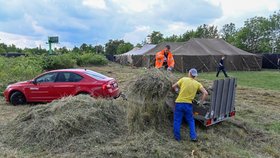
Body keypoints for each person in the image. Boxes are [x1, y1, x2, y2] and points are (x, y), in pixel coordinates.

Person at [172, 68, 208, 142]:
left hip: (179, 103)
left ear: (189, 73)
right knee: (191, 121)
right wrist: (201, 102)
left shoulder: (183, 79)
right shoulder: (197, 84)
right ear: (195, 76)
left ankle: (177, 138)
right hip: (188, 105)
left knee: (177, 120)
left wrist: (177, 91)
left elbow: (173, 86)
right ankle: (193, 137)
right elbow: (205, 93)